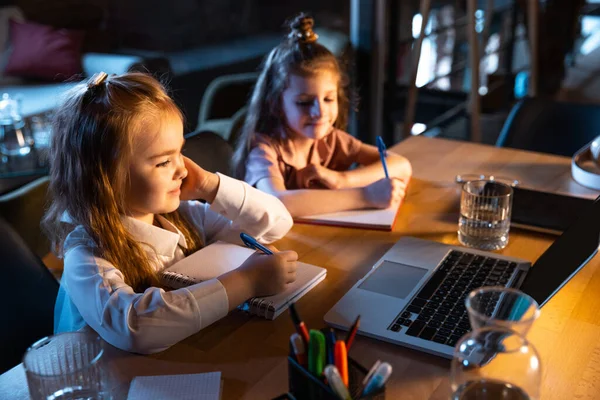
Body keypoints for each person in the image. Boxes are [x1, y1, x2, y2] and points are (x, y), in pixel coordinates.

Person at [43, 72, 297, 354]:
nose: (183, 170)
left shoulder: (185, 216)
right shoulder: (87, 253)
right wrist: (246, 282)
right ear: (105, 179)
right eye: (164, 161)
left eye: (180, 153)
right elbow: (135, 327)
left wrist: (209, 186)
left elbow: (276, 224)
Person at [233, 13, 412, 218]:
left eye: (328, 99)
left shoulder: (331, 140)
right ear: (276, 104)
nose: (320, 112)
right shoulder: (264, 149)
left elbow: (401, 165)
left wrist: (342, 180)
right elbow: (279, 202)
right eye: (304, 102)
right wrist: (365, 195)